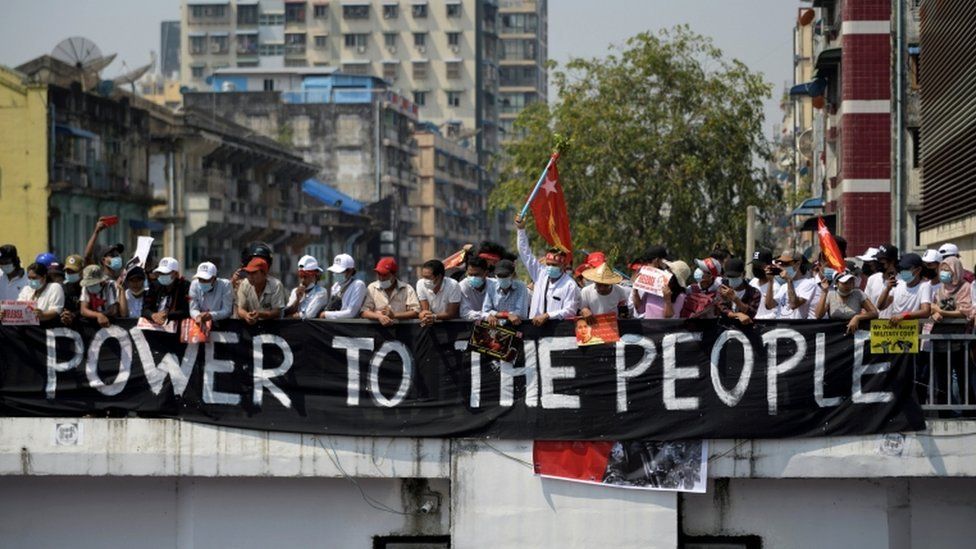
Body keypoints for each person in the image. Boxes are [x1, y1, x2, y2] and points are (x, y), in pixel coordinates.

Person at [514, 215, 580, 326]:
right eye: (548, 264)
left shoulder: (570, 285)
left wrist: (548, 315)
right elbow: (525, 252)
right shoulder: (540, 273)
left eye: (554, 265)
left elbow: (570, 310)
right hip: (534, 330)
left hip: (556, 333)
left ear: (563, 265)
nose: (549, 267)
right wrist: (521, 229)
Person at [930, 256, 975, 407]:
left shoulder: (965, 287)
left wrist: (941, 312)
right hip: (940, 340)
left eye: (947, 270)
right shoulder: (940, 288)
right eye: (942, 269)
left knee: (963, 377)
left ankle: (968, 409)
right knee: (942, 379)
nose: (943, 273)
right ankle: (944, 412)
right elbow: (934, 307)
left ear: (955, 270)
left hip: (959, 341)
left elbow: (965, 312)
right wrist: (935, 313)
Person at [813, 270, 879, 334]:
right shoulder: (830, 294)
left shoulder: (858, 294)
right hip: (834, 334)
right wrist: (824, 292)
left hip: (854, 333)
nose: (848, 286)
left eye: (851, 282)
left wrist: (857, 317)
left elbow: (874, 313)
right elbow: (818, 316)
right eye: (844, 283)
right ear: (837, 283)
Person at [361, 257, 420, 326]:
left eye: (385, 275)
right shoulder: (372, 287)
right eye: (379, 274)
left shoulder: (407, 289)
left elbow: (416, 312)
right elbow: (364, 312)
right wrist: (379, 317)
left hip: (402, 331)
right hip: (378, 331)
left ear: (394, 274)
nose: (381, 278)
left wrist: (394, 315)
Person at [876, 253, 932, 324]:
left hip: (911, 330)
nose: (903, 271)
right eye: (901, 269)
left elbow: (925, 311)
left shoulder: (924, 286)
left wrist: (904, 316)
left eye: (906, 269)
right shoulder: (898, 283)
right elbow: (881, 306)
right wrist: (887, 289)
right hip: (895, 328)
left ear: (918, 270)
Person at [764, 251, 818, 319]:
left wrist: (789, 280)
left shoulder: (809, 283)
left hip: (795, 326)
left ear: (797, 264)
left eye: (786, 263)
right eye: (780, 263)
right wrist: (770, 281)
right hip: (780, 325)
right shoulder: (784, 286)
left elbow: (793, 305)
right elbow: (769, 306)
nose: (782, 266)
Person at [237, 257, 287, 325]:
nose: (250, 276)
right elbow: (240, 309)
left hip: (273, 326)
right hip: (251, 326)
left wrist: (260, 314)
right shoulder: (244, 284)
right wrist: (246, 316)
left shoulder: (276, 285)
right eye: (248, 273)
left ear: (264, 274)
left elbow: (277, 312)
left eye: (254, 272)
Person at [481, 259, 529, 326]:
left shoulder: (521, 287)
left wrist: (496, 314)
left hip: (515, 327)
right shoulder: (491, 287)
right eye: (499, 276)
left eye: (505, 276)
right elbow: (485, 311)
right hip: (495, 327)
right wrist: (507, 315)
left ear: (512, 275)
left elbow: (521, 313)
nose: (502, 278)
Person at [320, 253, 367, 320]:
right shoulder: (335, 286)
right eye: (335, 271)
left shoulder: (358, 285)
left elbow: (351, 313)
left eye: (339, 272)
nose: (336, 274)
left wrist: (326, 314)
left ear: (350, 271)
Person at [417, 259, 461, 327]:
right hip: (433, 324)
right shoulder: (420, 284)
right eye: (423, 277)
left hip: (453, 325)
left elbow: (451, 313)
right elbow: (425, 309)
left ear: (439, 276)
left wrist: (434, 317)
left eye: (428, 277)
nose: (425, 280)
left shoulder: (453, 285)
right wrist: (425, 315)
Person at [189, 261, 234, 327]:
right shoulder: (194, 284)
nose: (202, 282)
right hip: (201, 325)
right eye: (200, 279)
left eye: (206, 280)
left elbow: (227, 310)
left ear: (214, 278)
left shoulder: (225, 285)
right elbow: (193, 308)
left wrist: (211, 315)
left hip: (222, 325)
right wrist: (198, 316)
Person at [716, 258, 761, 323]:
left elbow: (751, 313)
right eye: (729, 276)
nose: (732, 279)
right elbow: (723, 310)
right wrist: (737, 315)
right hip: (726, 328)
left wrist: (735, 299)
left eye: (735, 276)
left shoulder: (754, 292)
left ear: (743, 274)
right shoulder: (722, 289)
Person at [284, 255, 330, 320]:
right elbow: (287, 311)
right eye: (301, 276)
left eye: (305, 276)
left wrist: (293, 316)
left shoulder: (321, 292)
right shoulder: (295, 291)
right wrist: (297, 300)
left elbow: (308, 315)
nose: (302, 280)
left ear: (313, 276)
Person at [864, 244, 898, 318]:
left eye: (881, 260)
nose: (878, 263)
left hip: (897, 326)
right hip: (874, 326)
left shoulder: (902, 281)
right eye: (877, 259)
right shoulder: (872, 279)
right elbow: (865, 304)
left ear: (892, 261)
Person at [749, 250, 779, 320]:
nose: (756, 268)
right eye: (754, 265)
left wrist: (757, 319)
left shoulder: (775, 287)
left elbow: (775, 313)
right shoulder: (752, 282)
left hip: (766, 325)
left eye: (759, 266)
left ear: (770, 266)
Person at [59, 254, 85, 326]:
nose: (70, 274)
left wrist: (74, 314)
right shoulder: (63, 287)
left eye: (73, 272)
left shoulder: (87, 287)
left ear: (82, 271)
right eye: (68, 271)